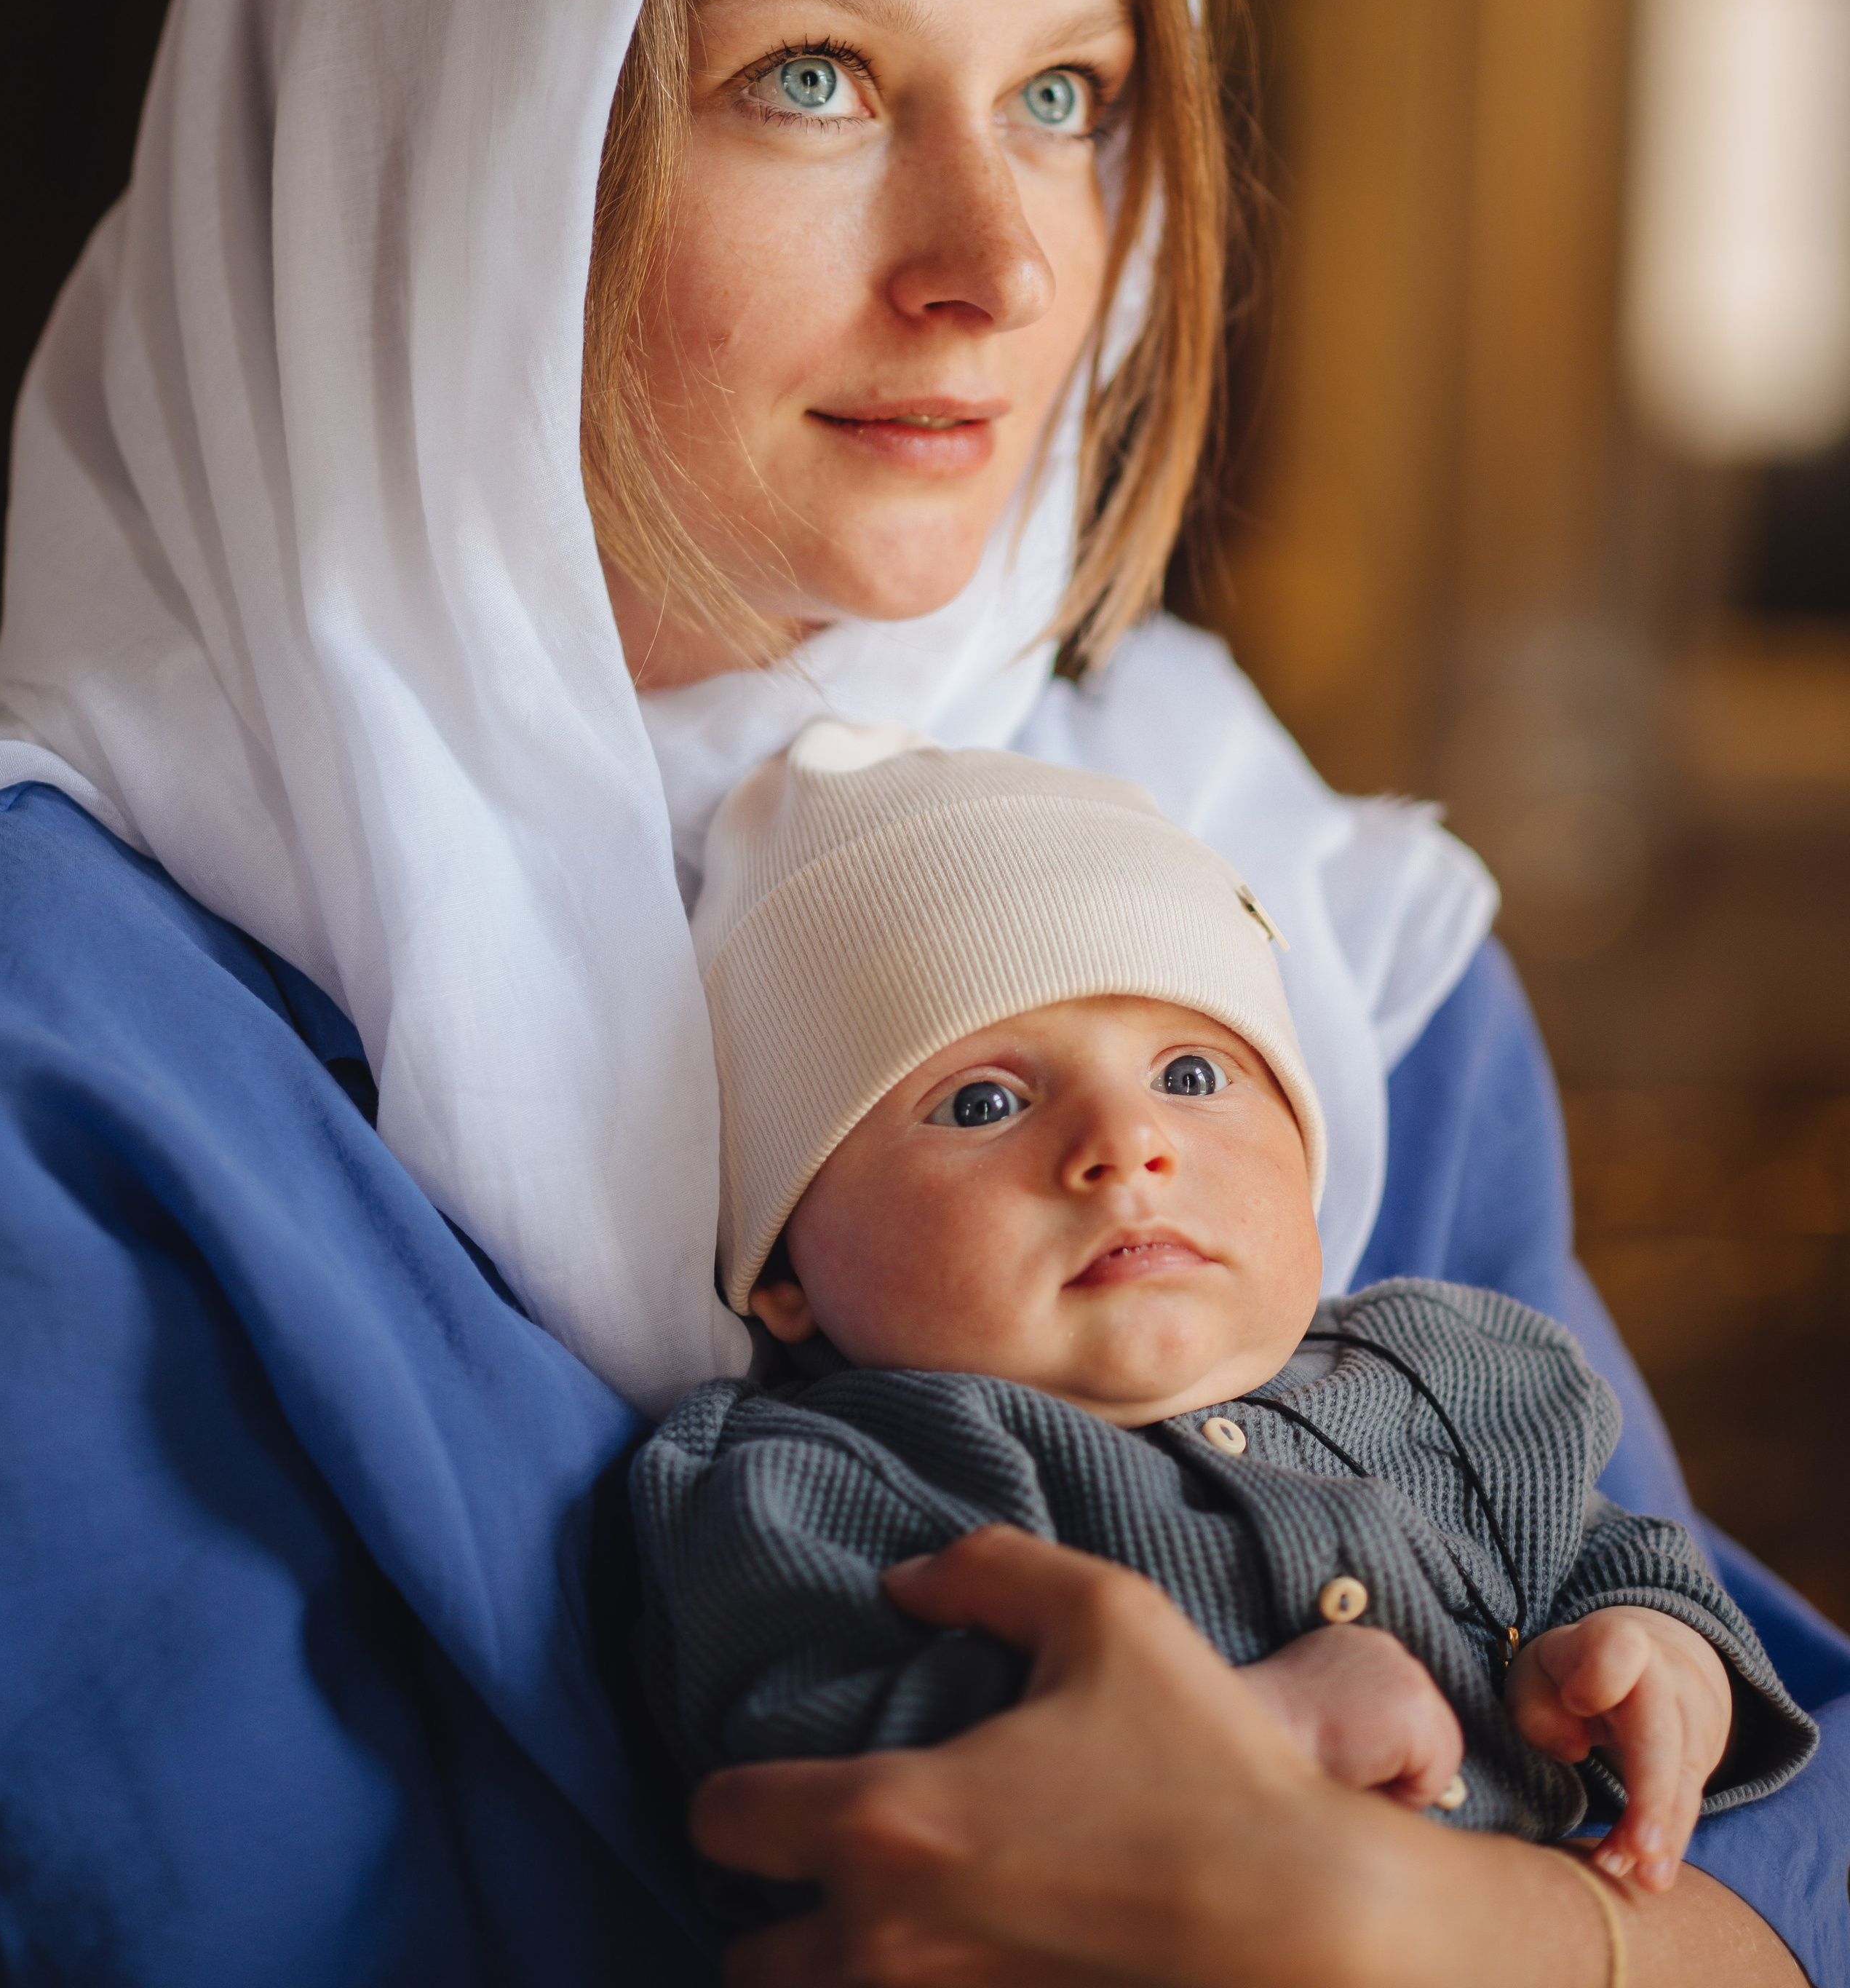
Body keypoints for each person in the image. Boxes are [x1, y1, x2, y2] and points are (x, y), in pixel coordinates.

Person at [0, 0, 1843, 1988]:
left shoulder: (1291, 915)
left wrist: (1429, 1942)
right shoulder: (74, 1048)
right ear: (442, 135)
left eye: (1069, 97)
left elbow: (1778, 1822)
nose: (997, 270)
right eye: (818, 77)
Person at [632, 720, 1813, 1880]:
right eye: (983, 1104)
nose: (1128, 1143)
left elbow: (1615, 1550)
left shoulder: (1452, 1375)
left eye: (1191, 1076)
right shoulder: (814, 1479)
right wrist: (1247, 1729)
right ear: (785, 1270)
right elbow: (812, 1735)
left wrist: (1653, 1649)